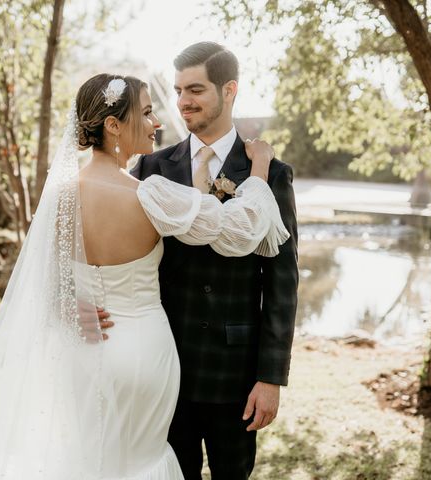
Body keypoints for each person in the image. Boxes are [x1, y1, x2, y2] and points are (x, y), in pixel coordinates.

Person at [0, 73, 289, 480]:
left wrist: (63, 305)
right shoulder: (150, 195)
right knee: (140, 463)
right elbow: (243, 228)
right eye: (147, 112)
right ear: (114, 126)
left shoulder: (58, 197)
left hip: (83, 353)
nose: (157, 121)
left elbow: (39, 279)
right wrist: (260, 168)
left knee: (91, 460)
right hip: (141, 352)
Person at [128, 42, 299, 479]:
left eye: (196, 89)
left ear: (229, 90)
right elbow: (122, 254)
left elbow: (282, 281)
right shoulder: (150, 168)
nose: (183, 100)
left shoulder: (270, 172)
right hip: (165, 366)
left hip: (236, 374)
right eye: (179, 89)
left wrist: (271, 378)